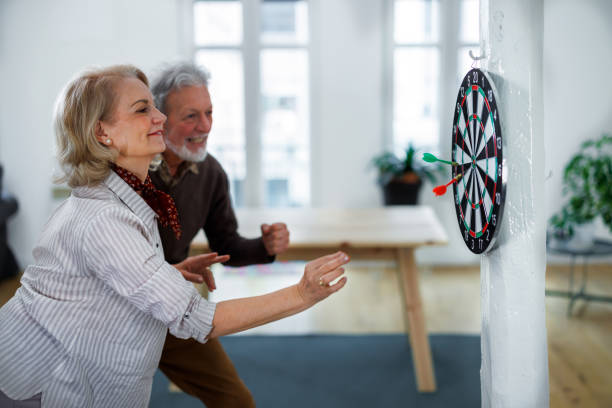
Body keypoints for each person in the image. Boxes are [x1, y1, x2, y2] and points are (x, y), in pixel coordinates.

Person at [0, 64, 348, 408]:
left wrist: (168, 272)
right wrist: (302, 294)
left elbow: (202, 251)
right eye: (144, 109)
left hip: (118, 338)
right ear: (102, 133)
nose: (160, 119)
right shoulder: (108, 217)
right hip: (38, 379)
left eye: (155, 107)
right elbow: (192, 316)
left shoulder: (137, 194)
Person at [149, 62, 290, 406]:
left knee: (236, 401)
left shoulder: (211, 173)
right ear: (159, 119)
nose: (206, 126)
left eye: (209, 113)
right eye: (191, 117)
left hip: (170, 308)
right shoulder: (132, 169)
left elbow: (227, 246)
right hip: (117, 312)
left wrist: (265, 246)